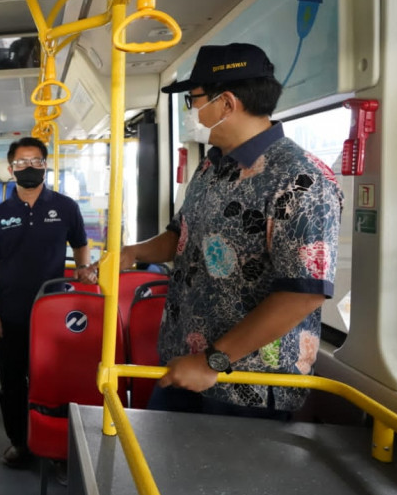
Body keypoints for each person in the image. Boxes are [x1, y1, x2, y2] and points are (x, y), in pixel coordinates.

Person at [121, 42, 343, 420]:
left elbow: (302, 294)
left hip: (249, 384)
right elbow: (181, 236)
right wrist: (133, 253)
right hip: (184, 363)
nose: (191, 113)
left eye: (194, 101)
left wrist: (212, 362)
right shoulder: (211, 168)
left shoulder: (300, 179)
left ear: (225, 103)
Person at [0, 136, 96, 468]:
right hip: (10, 312)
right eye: (21, 163)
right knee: (12, 384)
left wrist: (84, 270)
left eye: (35, 162)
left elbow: (80, 244)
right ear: (10, 168)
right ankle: (19, 442)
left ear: (46, 165)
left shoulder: (65, 207)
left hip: (54, 315)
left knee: (53, 382)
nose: (28, 168)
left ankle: (56, 445)